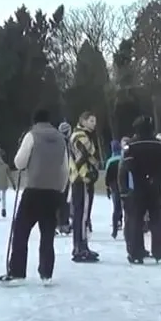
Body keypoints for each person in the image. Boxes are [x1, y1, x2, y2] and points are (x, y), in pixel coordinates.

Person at [2, 109, 70, 284]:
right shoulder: (61, 139)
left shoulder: (32, 135)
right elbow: (65, 168)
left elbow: (19, 162)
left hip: (34, 189)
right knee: (47, 233)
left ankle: (17, 271)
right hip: (54, 191)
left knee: (21, 231)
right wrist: (60, 190)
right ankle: (46, 272)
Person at [118, 115, 161, 264]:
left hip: (137, 187)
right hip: (155, 187)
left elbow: (125, 167)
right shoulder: (160, 145)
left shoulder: (131, 146)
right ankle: (159, 251)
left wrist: (124, 188)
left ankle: (136, 252)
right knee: (156, 220)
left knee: (136, 220)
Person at [68, 112, 101, 262]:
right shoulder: (80, 136)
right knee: (82, 215)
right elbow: (81, 158)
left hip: (80, 179)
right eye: (91, 120)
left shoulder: (82, 135)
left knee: (82, 215)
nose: (94, 123)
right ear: (83, 121)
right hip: (82, 180)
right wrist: (87, 175)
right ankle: (80, 248)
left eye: (95, 120)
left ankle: (82, 246)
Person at [105, 139, 124, 239]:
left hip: (114, 187)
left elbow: (107, 177)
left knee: (116, 208)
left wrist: (107, 188)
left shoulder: (110, 161)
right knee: (127, 208)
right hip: (123, 186)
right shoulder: (123, 159)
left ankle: (115, 230)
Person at [56, 121, 73, 235]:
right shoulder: (67, 143)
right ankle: (63, 224)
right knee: (65, 201)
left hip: (57, 175)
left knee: (58, 201)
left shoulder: (56, 142)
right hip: (65, 175)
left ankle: (59, 224)